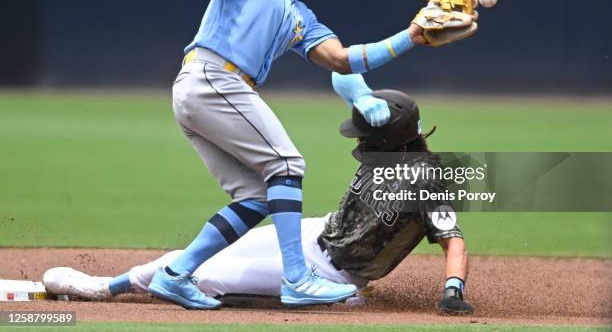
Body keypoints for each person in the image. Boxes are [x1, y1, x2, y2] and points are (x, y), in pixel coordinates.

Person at [126, 0, 446, 310]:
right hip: (213, 77)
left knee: (257, 196)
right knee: (288, 165)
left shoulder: (300, 16)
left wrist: (411, 37)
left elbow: (343, 60)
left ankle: (174, 275)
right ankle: (297, 278)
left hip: (210, 91)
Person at [43, 74, 474, 315]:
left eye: (366, 134)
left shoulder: (426, 180)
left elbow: (452, 238)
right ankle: (107, 287)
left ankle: (338, 297)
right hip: (312, 234)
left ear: (389, 139)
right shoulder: (390, 156)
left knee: (208, 280)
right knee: (198, 257)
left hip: (336, 273)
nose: (358, 140)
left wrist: (453, 288)